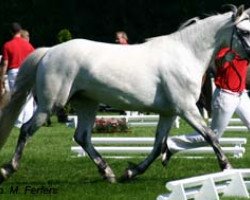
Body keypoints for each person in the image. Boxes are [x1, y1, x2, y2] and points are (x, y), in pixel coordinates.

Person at [162, 46, 250, 163]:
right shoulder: (227, 47)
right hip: (226, 95)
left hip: (241, 94)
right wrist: (228, 58)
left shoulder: (246, 48)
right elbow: (219, 65)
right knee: (213, 136)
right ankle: (170, 144)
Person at [0, 22, 35, 127]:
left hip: (14, 72)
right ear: (20, 31)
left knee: (16, 98)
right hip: (27, 72)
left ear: (11, 32)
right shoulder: (28, 45)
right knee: (28, 98)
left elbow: (5, 63)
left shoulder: (7, 45)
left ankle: (18, 122)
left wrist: (1, 78)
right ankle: (27, 122)